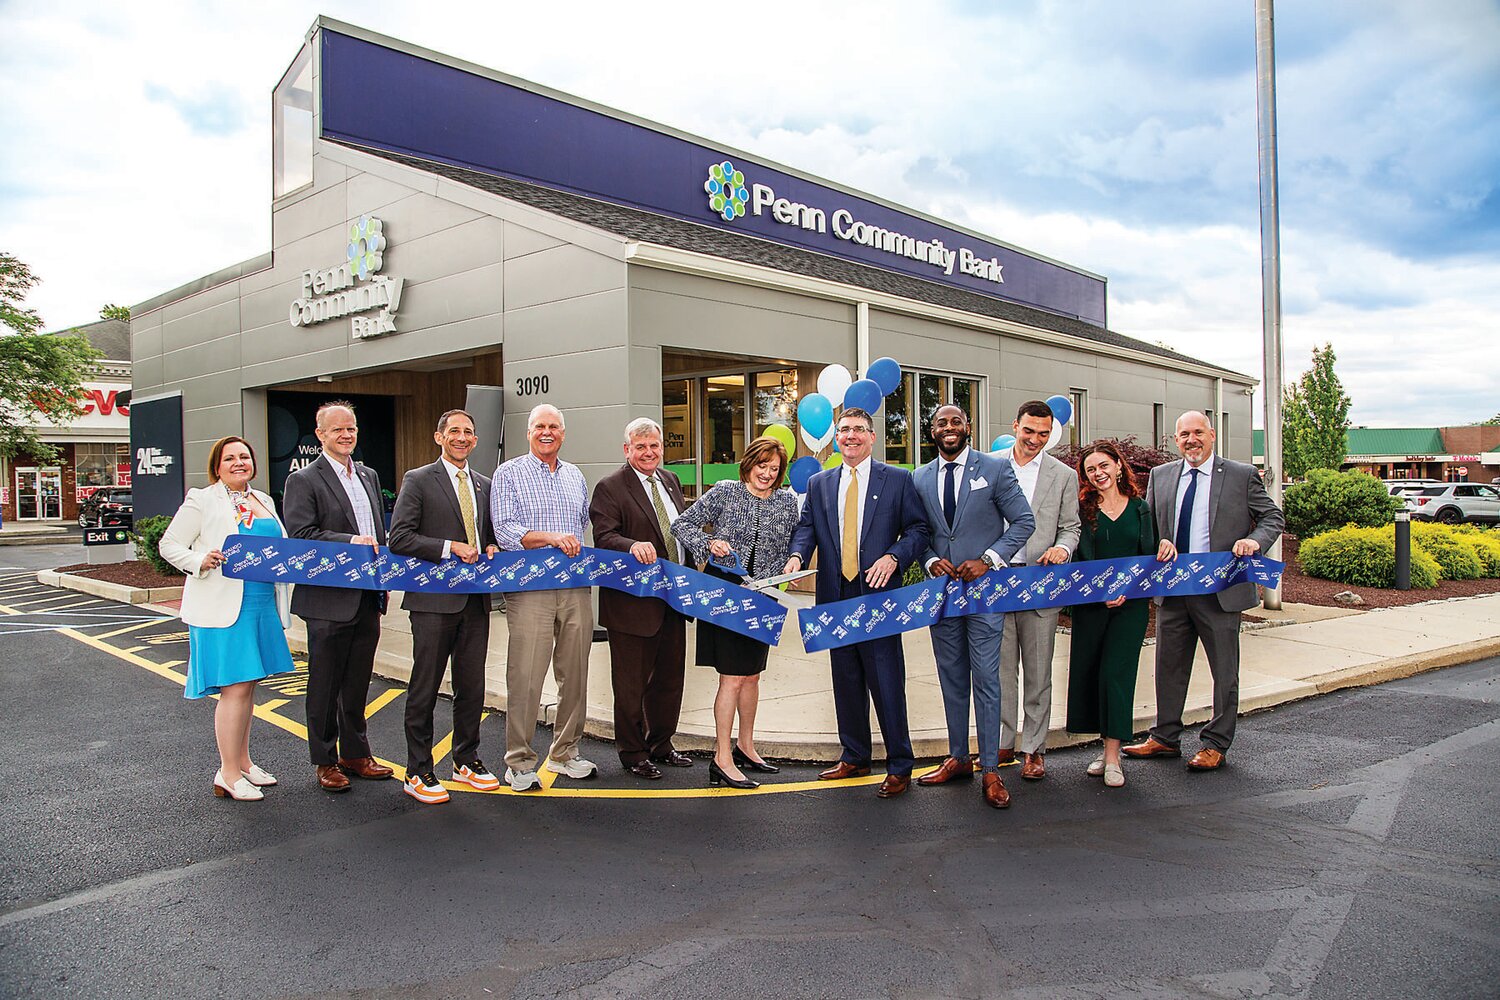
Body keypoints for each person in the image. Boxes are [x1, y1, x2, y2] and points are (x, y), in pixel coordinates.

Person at [1124, 411, 1285, 770]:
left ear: (1211, 435)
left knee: (1224, 671)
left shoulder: (1241, 475)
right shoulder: (1161, 476)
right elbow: (1147, 526)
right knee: (1168, 667)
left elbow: (1272, 517)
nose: (1191, 440)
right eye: (1184, 434)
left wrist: (1254, 541)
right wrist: (1156, 545)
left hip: (1220, 590)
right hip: (1174, 590)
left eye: (1198, 432)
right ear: (1176, 439)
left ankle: (1215, 742)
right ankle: (1164, 737)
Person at [784, 407, 930, 799]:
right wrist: (798, 557)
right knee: (845, 679)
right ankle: (855, 755)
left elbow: (918, 529)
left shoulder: (898, 480)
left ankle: (900, 764)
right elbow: (807, 528)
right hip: (835, 594)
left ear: (872, 437)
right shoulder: (819, 483)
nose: (850, 436)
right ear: (836, 438)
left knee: (886, 682)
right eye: (844, 430)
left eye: (858, 430)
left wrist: (895, 556)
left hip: (877, 597)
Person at [159, 436, 294, 802]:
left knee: (249, 686)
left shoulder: (263, 499)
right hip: (222, 605)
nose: (239, 462)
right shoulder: (202, 500)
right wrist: (198, 560)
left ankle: (244, 762)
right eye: (230, 458)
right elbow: (169, 544)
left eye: (244, 457)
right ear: (217, 466)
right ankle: (228, 773)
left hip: (261, 602)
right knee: (233, 689)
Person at [913, 404, 1034, 809]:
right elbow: (918, 532)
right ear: (932, 431)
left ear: (969, 427)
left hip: (984, 595)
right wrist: (929, 559)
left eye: (955, 422)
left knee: (986, 679)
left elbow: (1023, 522)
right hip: (943, 597)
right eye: (940, 422)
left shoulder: (995, 470)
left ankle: (991, 771)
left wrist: (989, 560)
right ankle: (958, 757)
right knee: (950, 678)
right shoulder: (920, 477)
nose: (948, 428)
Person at [387, 409, 501, 805]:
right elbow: (399, 538)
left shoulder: (485, 485)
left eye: (469, 432)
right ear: (439, 437)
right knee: (426, 685)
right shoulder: (418, 480)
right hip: (433, 601)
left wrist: (491, 547)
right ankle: (417, 769)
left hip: (475, 600)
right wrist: (449, 548)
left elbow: (488, 535)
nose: (462, 438)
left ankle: (466, 759)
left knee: (472, 685)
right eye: (454, 431)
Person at [673, 435, 800, 790]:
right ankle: (722, 758)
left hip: (765, 596)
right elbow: (682, 524)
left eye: (775, 469)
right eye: (762, 466)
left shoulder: (787, 503)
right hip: (726, 594)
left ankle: (745, 746)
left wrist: (795, 558)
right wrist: (708, 543)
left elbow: (798, 538)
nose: (767, 474)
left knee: (753, 675)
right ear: (749, 463)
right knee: (731, 676)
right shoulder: (726, 491)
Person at [282, 401, 394, 793]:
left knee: (358, 682)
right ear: (320, 435)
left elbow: (379, 533)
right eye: (337, 430)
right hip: (328, 599)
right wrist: (350, 542)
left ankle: (356, 754)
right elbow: (301, 535)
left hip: (367, 595)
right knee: (325, 684)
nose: (346, 435)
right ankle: (325, 760)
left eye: (351, 429)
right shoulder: (304, 480)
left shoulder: (367, 474)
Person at [491, 404, 596, 792]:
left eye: (554, 426)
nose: (547, 432)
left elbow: (582, 522)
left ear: (563, 434)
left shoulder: (574, 475)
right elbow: (504, 530)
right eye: (540, 426)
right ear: (529, 432)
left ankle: (565, 752)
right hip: (530, 586)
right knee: (527, 674)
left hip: (573, 587)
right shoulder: (509, 473)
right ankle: (518, 761)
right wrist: (551, 538)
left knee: (575, 672)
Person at [589, 417, 693, 781]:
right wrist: (632, 546)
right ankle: (633, 753)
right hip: (632, 605)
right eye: (641, 447)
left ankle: (661, 744)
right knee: (631, 684)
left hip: (673, 600)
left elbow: (681, 532)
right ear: (627, 449)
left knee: (669, 679)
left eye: (654, 446)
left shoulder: (671, 480)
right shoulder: (610, 487)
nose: (649, 453)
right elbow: (604, 537)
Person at [1066, 440, 1162, 788]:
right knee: (1091, 675)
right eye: (1091, 469)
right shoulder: (1082, 509)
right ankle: (1104, 746)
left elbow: (1147, 555)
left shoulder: (1140, 509)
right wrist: (1097, 591)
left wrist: (1127, 590)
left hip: (1130, 607)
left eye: (1104, 465)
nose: (1099, 473)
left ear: (1119, 466)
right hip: (1091, 606)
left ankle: (1112, 757)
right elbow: (1078, 558)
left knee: (1116, 676)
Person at [996, 399, 1082, 780]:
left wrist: (1063, 548)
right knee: (998, 673)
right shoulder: (989, 465)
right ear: (1015, 426)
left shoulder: (1063, 475)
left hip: (1039, 585)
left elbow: (1071, 526)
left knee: (1037, 672)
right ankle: (1002, 741)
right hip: (996, 583)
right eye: (1028, 431)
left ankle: (1033, 747)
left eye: (1043, 434)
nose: (1034, 440)